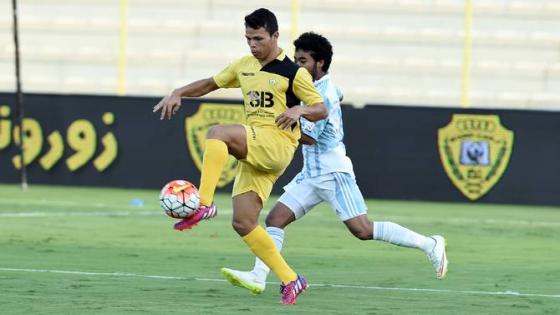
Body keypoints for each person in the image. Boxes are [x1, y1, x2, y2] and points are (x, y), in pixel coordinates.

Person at [220, 32, 448, 295]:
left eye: (303, 61)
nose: (297, 66)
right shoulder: (313, 88)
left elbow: (308, 137)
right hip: (311, 174)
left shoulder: (323, 94)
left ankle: (430, 244)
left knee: (362, 230)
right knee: (275, 219)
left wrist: (271, 130)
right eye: (295, 60)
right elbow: (327, 98)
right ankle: (259, 275)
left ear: (321, 63)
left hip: (332, 172)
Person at [152, 8, 326, 305]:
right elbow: (210, 83)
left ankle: (204, 204)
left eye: (258, 38)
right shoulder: (244, 65)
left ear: (275, 36)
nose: (253, 45)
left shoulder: (293, 73)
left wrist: (299, 109)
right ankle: (290, 279)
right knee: (244, 222)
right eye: (248, 39)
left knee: (218, 132)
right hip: (257, 150)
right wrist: (178, 91)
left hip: (277, 143)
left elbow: (321, 108)